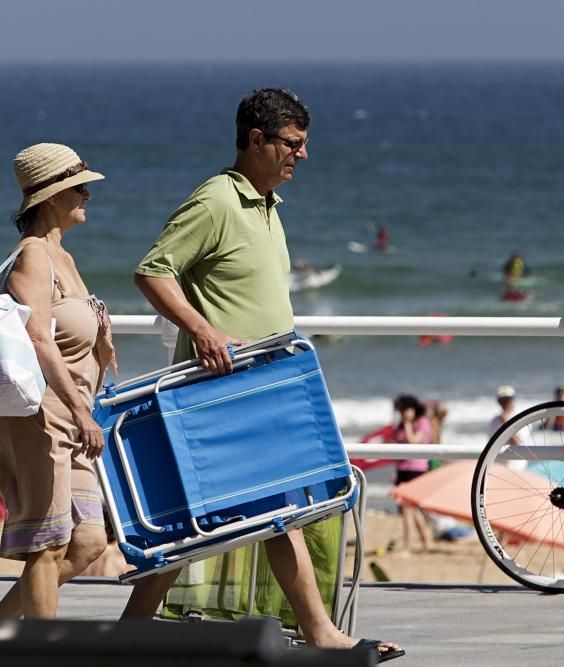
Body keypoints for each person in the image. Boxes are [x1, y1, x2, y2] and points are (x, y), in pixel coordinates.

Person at [128, 88, 402, 660]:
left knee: (267, 515)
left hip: (261, 389)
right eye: (293, 144)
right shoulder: (217, 202)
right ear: (257, 139)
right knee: (242, 518)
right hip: (218, 395)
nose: (302, 155)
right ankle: (321, 633)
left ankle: (129, 632)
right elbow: (153, 272)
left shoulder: (268, 207)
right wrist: (203, 331)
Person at [0, 143, 116, 620]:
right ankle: (39, 651)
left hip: (73, 419)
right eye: (80, 187)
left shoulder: (64, 258)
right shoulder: (33, 257)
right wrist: (82, 412)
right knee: (49, 544)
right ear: (53, 196)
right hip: (41, 417)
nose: (88, 195)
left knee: (89, 541)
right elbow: (39, 338)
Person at [391, 395, 435, 554]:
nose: (404, 414)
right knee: (410, 509)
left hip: (416, 468)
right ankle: (427, 540)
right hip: (402, 468)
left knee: (409, 508)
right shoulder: (401, 424)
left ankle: (407, 546)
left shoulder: (422, 422)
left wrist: (408, 424)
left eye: (406, 410)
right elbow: (396, 442)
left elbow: (413, 441)